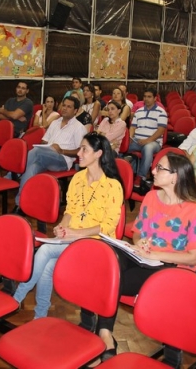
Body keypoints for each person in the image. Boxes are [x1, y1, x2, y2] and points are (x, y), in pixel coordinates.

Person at [88, 152, 196, 362]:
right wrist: (139, 242)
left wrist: (154, 253)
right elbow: (138, 231)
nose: (153, 171)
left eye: (160, 168)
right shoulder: (152, 196)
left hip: (172, 267)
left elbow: (193, 257)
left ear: (175, 177)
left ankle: (103, 332)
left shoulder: (194, 210)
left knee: (112, 280)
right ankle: (104, 333)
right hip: (144, 257)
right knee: (109, 260)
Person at [12, 133, 123, 320]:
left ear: (98, 154)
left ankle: (17, 297)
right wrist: (62, 227)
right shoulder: (78, 178)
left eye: (84, 149)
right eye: (79, 148)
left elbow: (107, 226)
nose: (78, 153)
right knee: (47, 267)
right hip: (72, 237)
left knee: (46, 251)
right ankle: (40, 315)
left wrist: (76, 234)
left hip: (97, 244)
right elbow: (70, 211)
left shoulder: (113, 186)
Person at [12, 96, 87, 212]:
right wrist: (46, 146)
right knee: (33, 167)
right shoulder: (55, 123)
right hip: (46, 156)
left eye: (69, 107)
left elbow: (80, 151)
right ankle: (20, 205)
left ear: (76, 111)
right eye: (64, 105)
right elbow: (44, 141)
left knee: (36, 152)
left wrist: (61, 151)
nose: (65, 109)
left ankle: (13, 173)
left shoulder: (79, 127)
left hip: (62, 160)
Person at [126, 88, 167, 192]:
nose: (146, 99)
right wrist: (130, 137)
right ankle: (126, 173)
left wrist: (148, 140)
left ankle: (140, 177)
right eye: (145, 97)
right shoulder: (138, 111)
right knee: (123, 145)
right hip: (137, 140)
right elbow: (133, 127)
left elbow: (161, 130)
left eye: (149, 97)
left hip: (154, 142)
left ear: (155, 98)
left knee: (148, 148)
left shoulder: (161, 112)